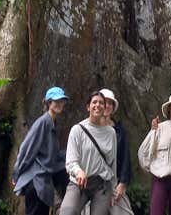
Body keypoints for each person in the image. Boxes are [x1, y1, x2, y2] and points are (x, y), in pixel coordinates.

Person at [13, 86, 71, 215]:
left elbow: (53, 155)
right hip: (36, 181)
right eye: (56, 101)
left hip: (44, 181)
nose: (60, 104)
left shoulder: (52, 123)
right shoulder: (43, 122)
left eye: (62, 101)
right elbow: (26, 149)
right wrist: (16, 173)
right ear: (49, 103)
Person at [60, 91, 118, 215]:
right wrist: (78, 171)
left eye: (101, 103)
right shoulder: (77, 130)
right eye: (94, 102)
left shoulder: (111, 132)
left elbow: (112, 164)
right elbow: (70, 161)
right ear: (88, 107)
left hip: (102, 185)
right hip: (79, 182)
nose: (98, 105)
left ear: (105, 108)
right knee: (67, 212)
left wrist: (113, 191)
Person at [100, 88, 135, 215]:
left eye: (110, 103)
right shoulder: (89, 128)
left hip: (115, 182)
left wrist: (123, 183)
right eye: (105, 102)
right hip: (94, 183)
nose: (107, 106)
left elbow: (126, 159)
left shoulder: (120, 131)